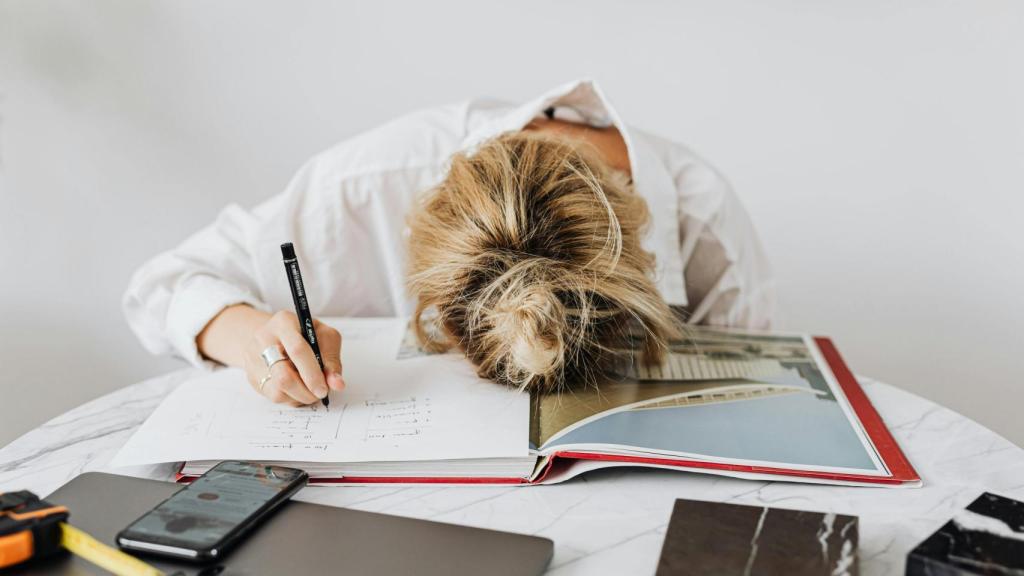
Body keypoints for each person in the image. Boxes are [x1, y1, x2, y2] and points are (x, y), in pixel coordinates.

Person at [123, 80, 775, 406]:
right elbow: (160, 285)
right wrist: (250, 336)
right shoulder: (366, 185)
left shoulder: (704, 218)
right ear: (427, 241)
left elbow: (753, 399)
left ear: (638, 250)